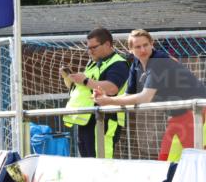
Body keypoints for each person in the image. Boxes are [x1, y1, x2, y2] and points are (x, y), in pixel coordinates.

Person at [95, 29, 206, 161]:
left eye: (146, 45)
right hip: (177, 117)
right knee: (167, 163)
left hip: (198, 112)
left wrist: (108, 101)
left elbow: (145, 97)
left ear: (152, 44)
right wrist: (106, 99)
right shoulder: (136, 65)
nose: (143, 49)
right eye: (138, 46)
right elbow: (127, 95)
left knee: (195, 161)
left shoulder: (158, 61)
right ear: (131, 50)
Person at [63, 27, 129, 158]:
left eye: (94, 47)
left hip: (104, 120)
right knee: (89, 164)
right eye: (88, 48)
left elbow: (112, 88)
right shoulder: (92, 64)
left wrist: (86, 80)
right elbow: (80, 89)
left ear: (108, 44)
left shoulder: (119, 63)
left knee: (102, 162)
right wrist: (68, 78)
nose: (90, 51)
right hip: (87, 121)